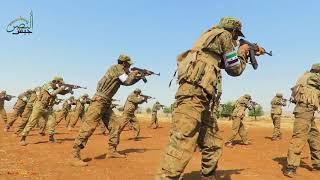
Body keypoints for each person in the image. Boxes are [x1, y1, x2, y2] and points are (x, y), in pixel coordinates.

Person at [155, 17, 265, 180]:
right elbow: (234, 69)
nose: (235, 39)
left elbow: (221, 63)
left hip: (201, 100)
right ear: (233, 31)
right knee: (182, 142)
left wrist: (248, 51)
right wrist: (243, 51)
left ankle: (209, 176)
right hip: (193, 96)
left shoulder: (209, 39)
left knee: (212, 144)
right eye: (236, 36)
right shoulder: (224, 36)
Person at [70, 54, 148, 167]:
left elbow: (128, 81)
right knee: (89, 126)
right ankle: (74, 155)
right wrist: (137, 74)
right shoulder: (117, 68)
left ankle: (112, 150)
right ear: (124, 63)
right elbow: (127, 81)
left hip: (106, 102)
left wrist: (139, 76)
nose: (129, 66)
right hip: (99, 101)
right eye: (128, 65)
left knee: (115, 125)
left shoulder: (121, 72)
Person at [283, 64, 320, 177]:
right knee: (299, 138)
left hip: (308, 112)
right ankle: (291, 167)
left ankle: (317, 163)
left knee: (314, 136)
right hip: (304, 111)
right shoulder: (312, 77)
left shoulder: (308, 79)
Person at [19, 77, 74, 146]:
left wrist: (69, 90)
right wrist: (62, 87)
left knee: (52, 121)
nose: (60, 85)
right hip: (39, 106)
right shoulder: (47, 85)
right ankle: (23, 138)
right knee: (32, 122)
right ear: (55, 82)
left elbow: (62, 93)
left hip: (48, 108)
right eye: (60, 83)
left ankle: (51, 137)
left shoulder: (56, 88)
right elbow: (52, 93)